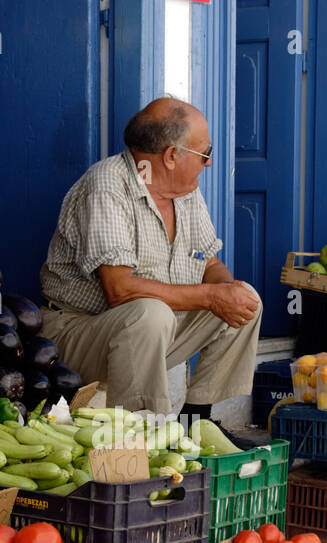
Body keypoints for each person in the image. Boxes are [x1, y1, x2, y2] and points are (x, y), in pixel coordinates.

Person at [39, 97, 262, 416]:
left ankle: (196, 422)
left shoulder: (186, 192)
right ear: (172, 155)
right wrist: (213, 297)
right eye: (206, 154)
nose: (209, 163)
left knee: (246, 301)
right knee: (150, 313)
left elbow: (209, 264)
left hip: (146, 337)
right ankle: (140, 433)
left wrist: (227, 293)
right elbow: (120, 290)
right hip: (79, 333)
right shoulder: (107, 185)